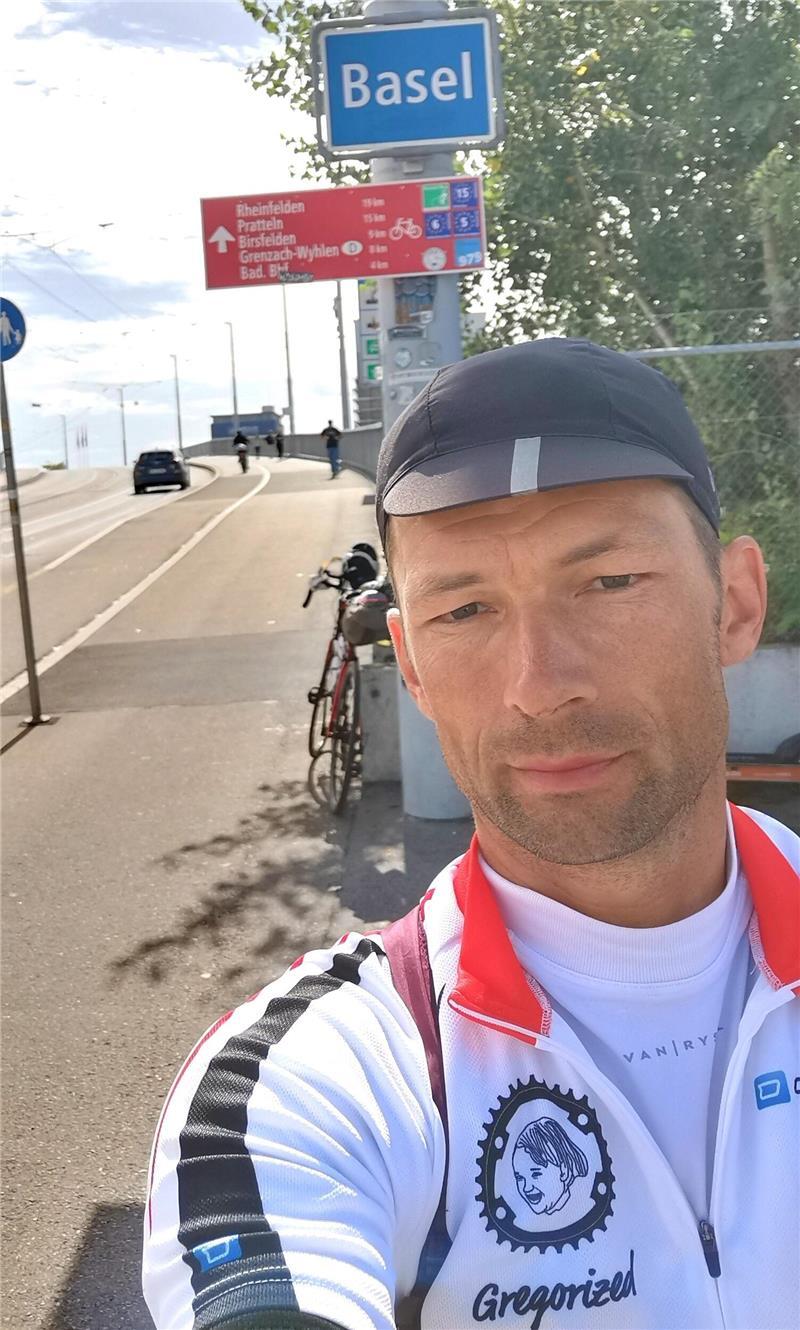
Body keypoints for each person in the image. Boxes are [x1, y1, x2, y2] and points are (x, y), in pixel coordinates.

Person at [143, 339, 799, 1330]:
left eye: (609, 581)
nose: (539, 683)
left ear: (734, 604)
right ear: (408, 663)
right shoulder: (314, 1079)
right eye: (464, 608)